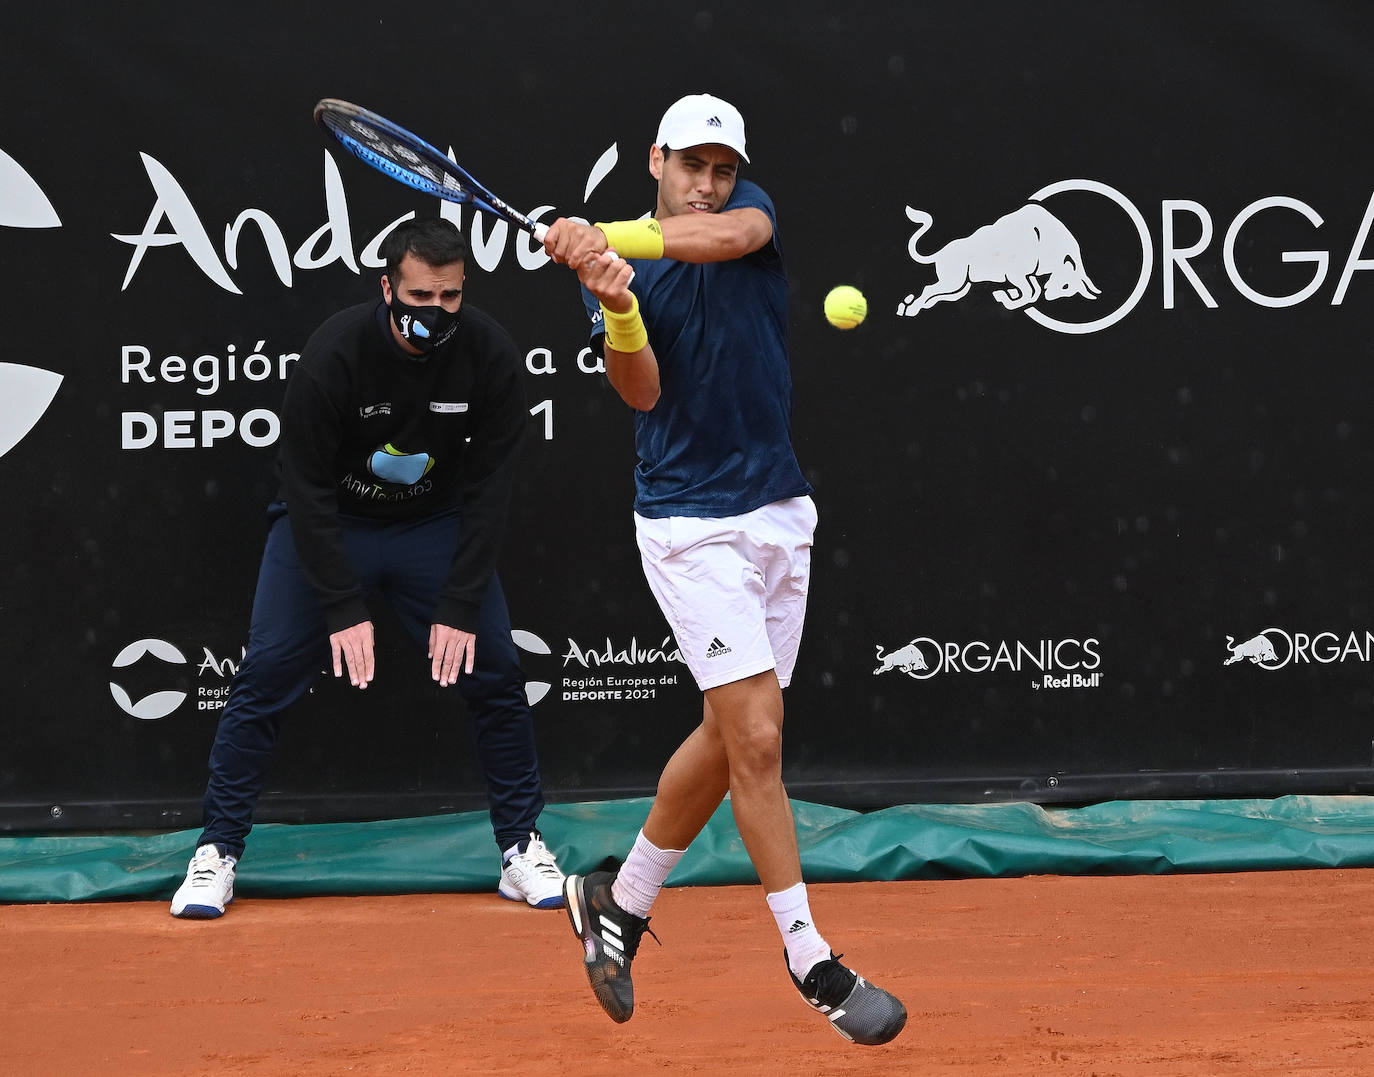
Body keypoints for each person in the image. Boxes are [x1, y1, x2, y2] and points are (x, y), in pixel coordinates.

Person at [541, 94, 906, 1045]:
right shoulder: (615, 275)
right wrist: (615, 299)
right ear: (656, 157)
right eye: (691, 165)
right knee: (757, 737)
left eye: (722, 167)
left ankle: (615, 903)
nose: (707, 185)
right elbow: (642, 389)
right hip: (687, 526)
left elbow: (724, 235)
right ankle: (810, 957)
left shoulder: (749, 220)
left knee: (726, 730)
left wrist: (609, 236)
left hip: (779, 513)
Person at [169, 217, 565, 919]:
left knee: (498, 672)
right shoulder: (337, 351)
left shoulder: (491, 355)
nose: (435, 313)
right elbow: (304, 483)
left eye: (450, 297)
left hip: (432, 528)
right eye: (420, 296)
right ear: (387, 288)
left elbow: (491, 486)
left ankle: (520, 848)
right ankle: (216, 851)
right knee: (267, 671)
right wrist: (342, 603)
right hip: (329, 526)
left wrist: (463, 600)